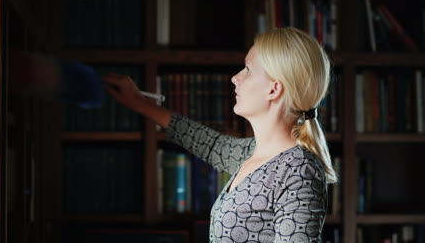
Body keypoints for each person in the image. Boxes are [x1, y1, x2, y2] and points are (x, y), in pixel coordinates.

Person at [102, 27, 338, 243]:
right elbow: (210, 144)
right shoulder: (252, 154)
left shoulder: (299, 170)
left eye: (247, 69)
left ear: (273, 89)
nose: (236, 78)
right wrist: (139, 103)